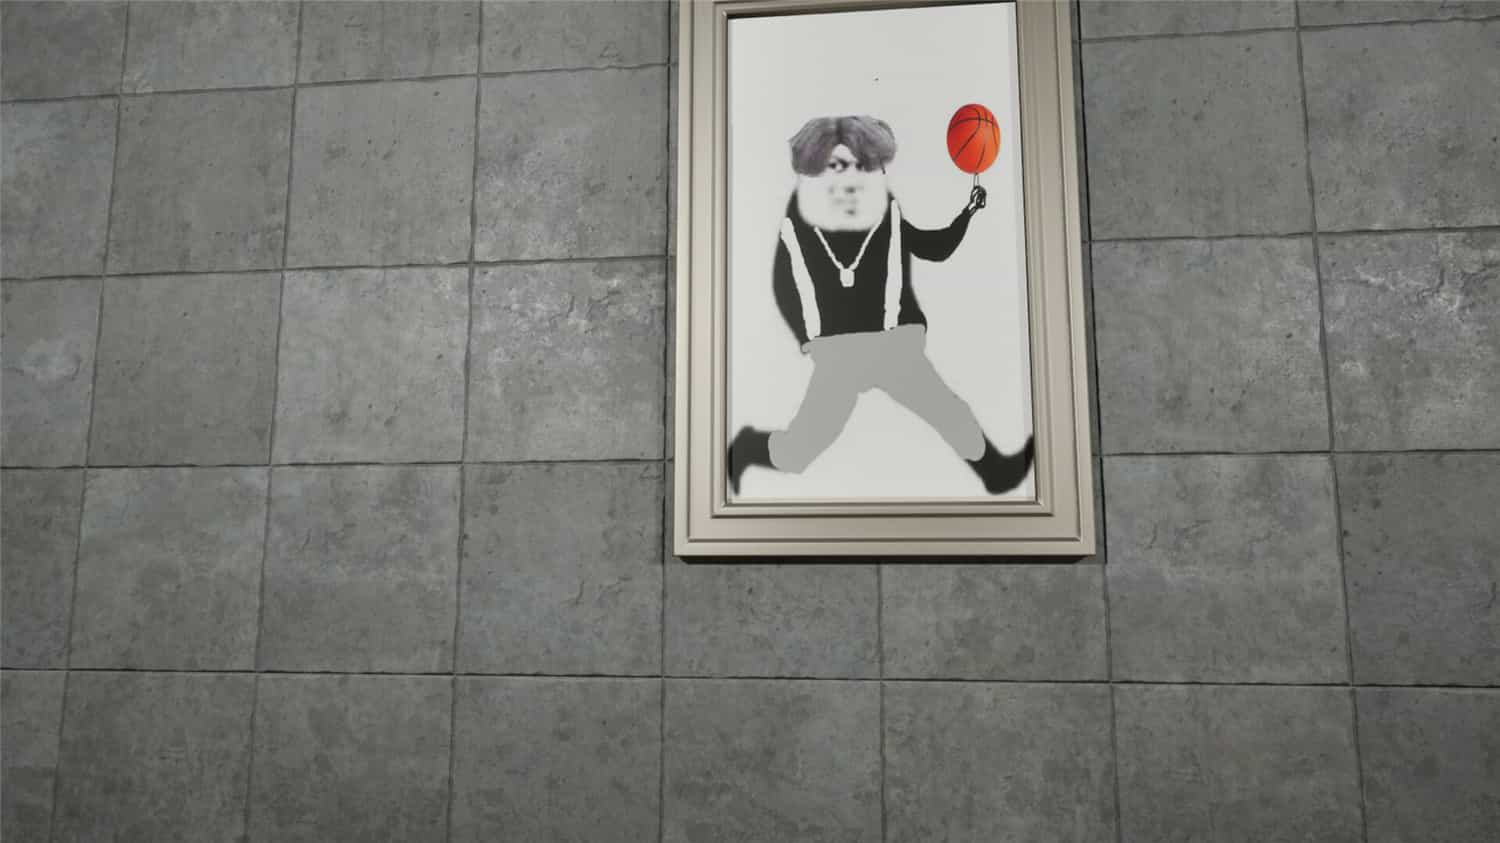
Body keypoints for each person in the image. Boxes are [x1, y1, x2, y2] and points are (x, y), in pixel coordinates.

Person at [729, 115, 1034, 495]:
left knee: (947, 409)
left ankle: (994, 472)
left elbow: (934, 248)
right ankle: (749, 447)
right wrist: (807, 337)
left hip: (894, 343)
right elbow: (783, 285)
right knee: (801, 450)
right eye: (837, 166)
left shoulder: (883, 210)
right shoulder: (799, 223)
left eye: (862, 165)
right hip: (838, 351)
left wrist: (968, 213)